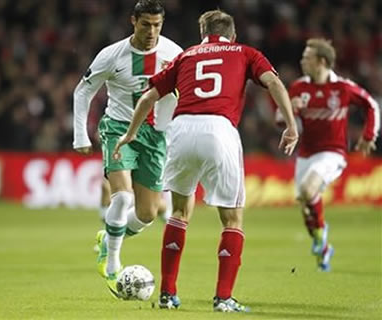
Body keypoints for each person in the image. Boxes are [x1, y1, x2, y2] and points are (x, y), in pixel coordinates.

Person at [114, 9, 298, 312]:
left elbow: (148, 97)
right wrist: (291, 125)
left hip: (181, 129)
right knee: (232, 219)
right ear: (233, 33)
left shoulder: (186, 56)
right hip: (219, 129)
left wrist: (130, 134)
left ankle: (167, 294)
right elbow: (275, 84)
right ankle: (224, 298)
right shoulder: (245, 52)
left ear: (203, 34)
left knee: (180, 212)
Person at [72, 0, 183, 298]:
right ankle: (111, 266)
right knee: (122, 197)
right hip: (119, 129)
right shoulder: (112, 55)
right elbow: (83, 90)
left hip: (156, 135)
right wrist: (80, 135)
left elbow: (184, 93)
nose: (151, 31)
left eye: (157, 25)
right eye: (146, 24)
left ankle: (107, 239)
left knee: (147, 213)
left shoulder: (174, 54)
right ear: (133, 21)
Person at [275, 38, 380, 271]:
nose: (302, 60)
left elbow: (371, 104)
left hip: (332, 153)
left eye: (307, 57)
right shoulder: (299, 88)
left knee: (307, 190)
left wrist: (369, 135)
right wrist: (290, 110)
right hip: (305, 154)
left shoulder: (341, 88)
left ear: (321, 61)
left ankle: (321, 233)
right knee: (305, 203)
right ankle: (322, 244)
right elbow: (279, 120)